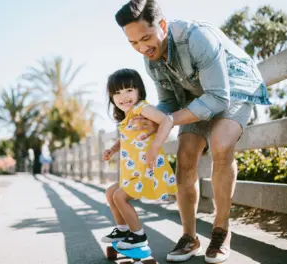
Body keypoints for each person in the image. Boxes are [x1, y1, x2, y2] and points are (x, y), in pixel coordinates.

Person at [114, 1, 271, 262]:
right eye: (133, 43)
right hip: (196, 96)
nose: (142, 48)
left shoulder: (197, 37)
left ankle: (221, 231)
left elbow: (219, 98)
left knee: (220, 144)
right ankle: (189, 237)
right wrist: (156, 118)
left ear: (162, 26)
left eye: (146, 38)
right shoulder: (151, 60)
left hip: (234, 89)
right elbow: (169, 102)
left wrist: (166, 120)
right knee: (185, 155)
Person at [101, 68, 177, 249]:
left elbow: (166, 120)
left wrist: (155, 146)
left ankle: (138, 235)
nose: (123, 96)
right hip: (133, 171)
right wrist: (113, 148)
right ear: (112, 98)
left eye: (129, 90)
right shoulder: (128, 116)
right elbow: (127, 138)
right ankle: (122, 229)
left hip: (147, 169)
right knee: (111, 193)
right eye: (117, 92)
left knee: (120, 197)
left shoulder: (142, 108)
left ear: (139, 91)